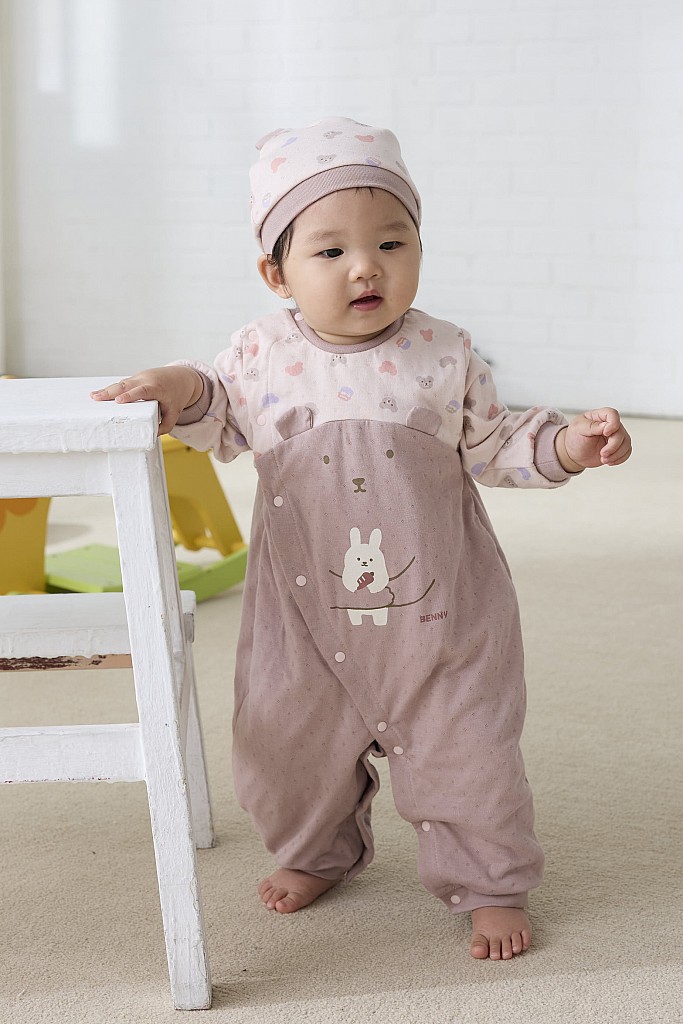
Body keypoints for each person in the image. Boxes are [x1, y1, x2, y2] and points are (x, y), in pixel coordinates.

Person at [91, 116, 632, 961]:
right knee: (285, 745)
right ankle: (318, 852)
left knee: (468, 748)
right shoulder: (261, 353)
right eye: (330, 251)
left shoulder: (444, 353)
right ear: (275, 272)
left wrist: (569, 445)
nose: (366, 267)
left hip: (440, 616)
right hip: (300, 620)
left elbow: (496, 444)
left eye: (390, 242)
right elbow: (215, 406)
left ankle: (490, 880)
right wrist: (172, 385)